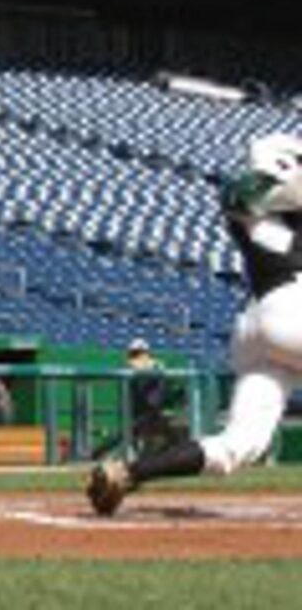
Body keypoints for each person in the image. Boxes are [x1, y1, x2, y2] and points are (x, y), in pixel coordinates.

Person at [87, 134, 302, 516]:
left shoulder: (251, 210)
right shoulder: (260, 201)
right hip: (291, 310)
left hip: (256, 325)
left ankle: (128, 472)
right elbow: (252, 190)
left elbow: (243, 195)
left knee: (240, 444)